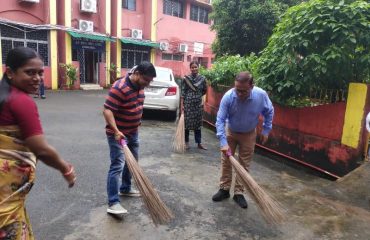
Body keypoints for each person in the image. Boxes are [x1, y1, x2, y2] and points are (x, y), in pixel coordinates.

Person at [0, 47, 76, 239]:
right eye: (30, 72)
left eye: (40, 73)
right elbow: (40, 149)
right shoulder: (21, 101)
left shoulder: (4, 96)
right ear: (10, 72)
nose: (37, 78)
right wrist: (65, 169)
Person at [212, 71, 274, 208]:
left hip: (249, 133)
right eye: (237, 90)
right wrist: (223, 142)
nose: (239, 94)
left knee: (244, 164)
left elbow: (269, 111)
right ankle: (224, 189)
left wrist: (266, 130)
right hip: (231, 132)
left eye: (243, 91)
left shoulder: (261, 95)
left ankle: (239, 193)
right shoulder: (228, 96)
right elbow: (220, 120)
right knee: (226, 162)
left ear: (252, 86)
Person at [103, 61, 156, 215]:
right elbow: (107, 110)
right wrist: (116, 130)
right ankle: (113, 202)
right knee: (117, 165)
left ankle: (125, 188)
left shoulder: (140, 87)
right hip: (117, 134)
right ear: (137, 74)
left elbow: (136, 107)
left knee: (132, 162)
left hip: (133, 132)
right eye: (146, 80)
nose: (147, 84)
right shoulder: (119, 87)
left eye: (150, 81)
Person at [180, 61, 208, 150]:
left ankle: (199, 143)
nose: (194, 69)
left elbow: (204, 90)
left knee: (198, 124)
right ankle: (186, 143)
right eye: (192, 67)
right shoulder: (186, 79)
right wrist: (182, 105)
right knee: (186, 124)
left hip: (198, 105)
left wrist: (198, 97)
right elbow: (183, 92)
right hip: (188, 104)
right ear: (190, 68)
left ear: (198, 67)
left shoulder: (203, 79)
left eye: (195, 67)